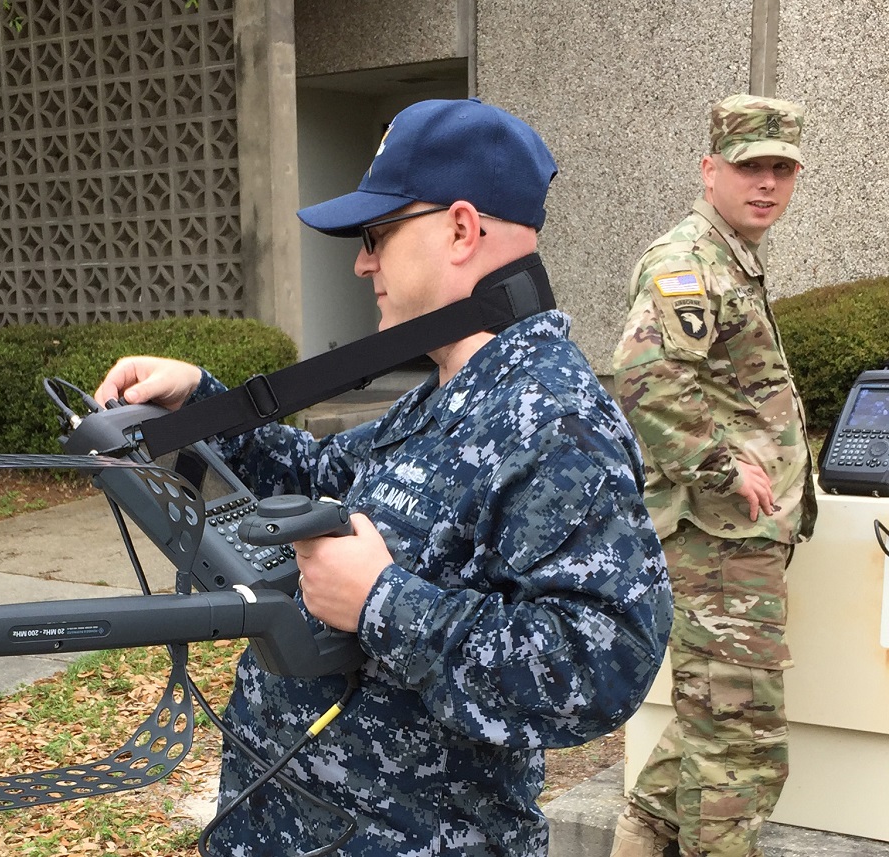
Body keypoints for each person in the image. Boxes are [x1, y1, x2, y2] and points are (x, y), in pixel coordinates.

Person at [97, 98, 672, 857]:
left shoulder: (555, 419)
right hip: (284, 823)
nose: (363, 261)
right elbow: (319, 474)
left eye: (377, 235)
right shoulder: (447, 392)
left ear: (462, 229)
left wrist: (383, 602)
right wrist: (200, 401)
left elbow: (602, 664)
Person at [610, 93, 818, 857]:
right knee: (743, 750)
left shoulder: (730, 256)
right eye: (749, 166)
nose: (766, 183)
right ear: (710, 168)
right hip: (718, 540)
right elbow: (644, 378)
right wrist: (721, 468)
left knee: (710, 725)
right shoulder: (686, 260)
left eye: (781, 168)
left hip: (738, 543)